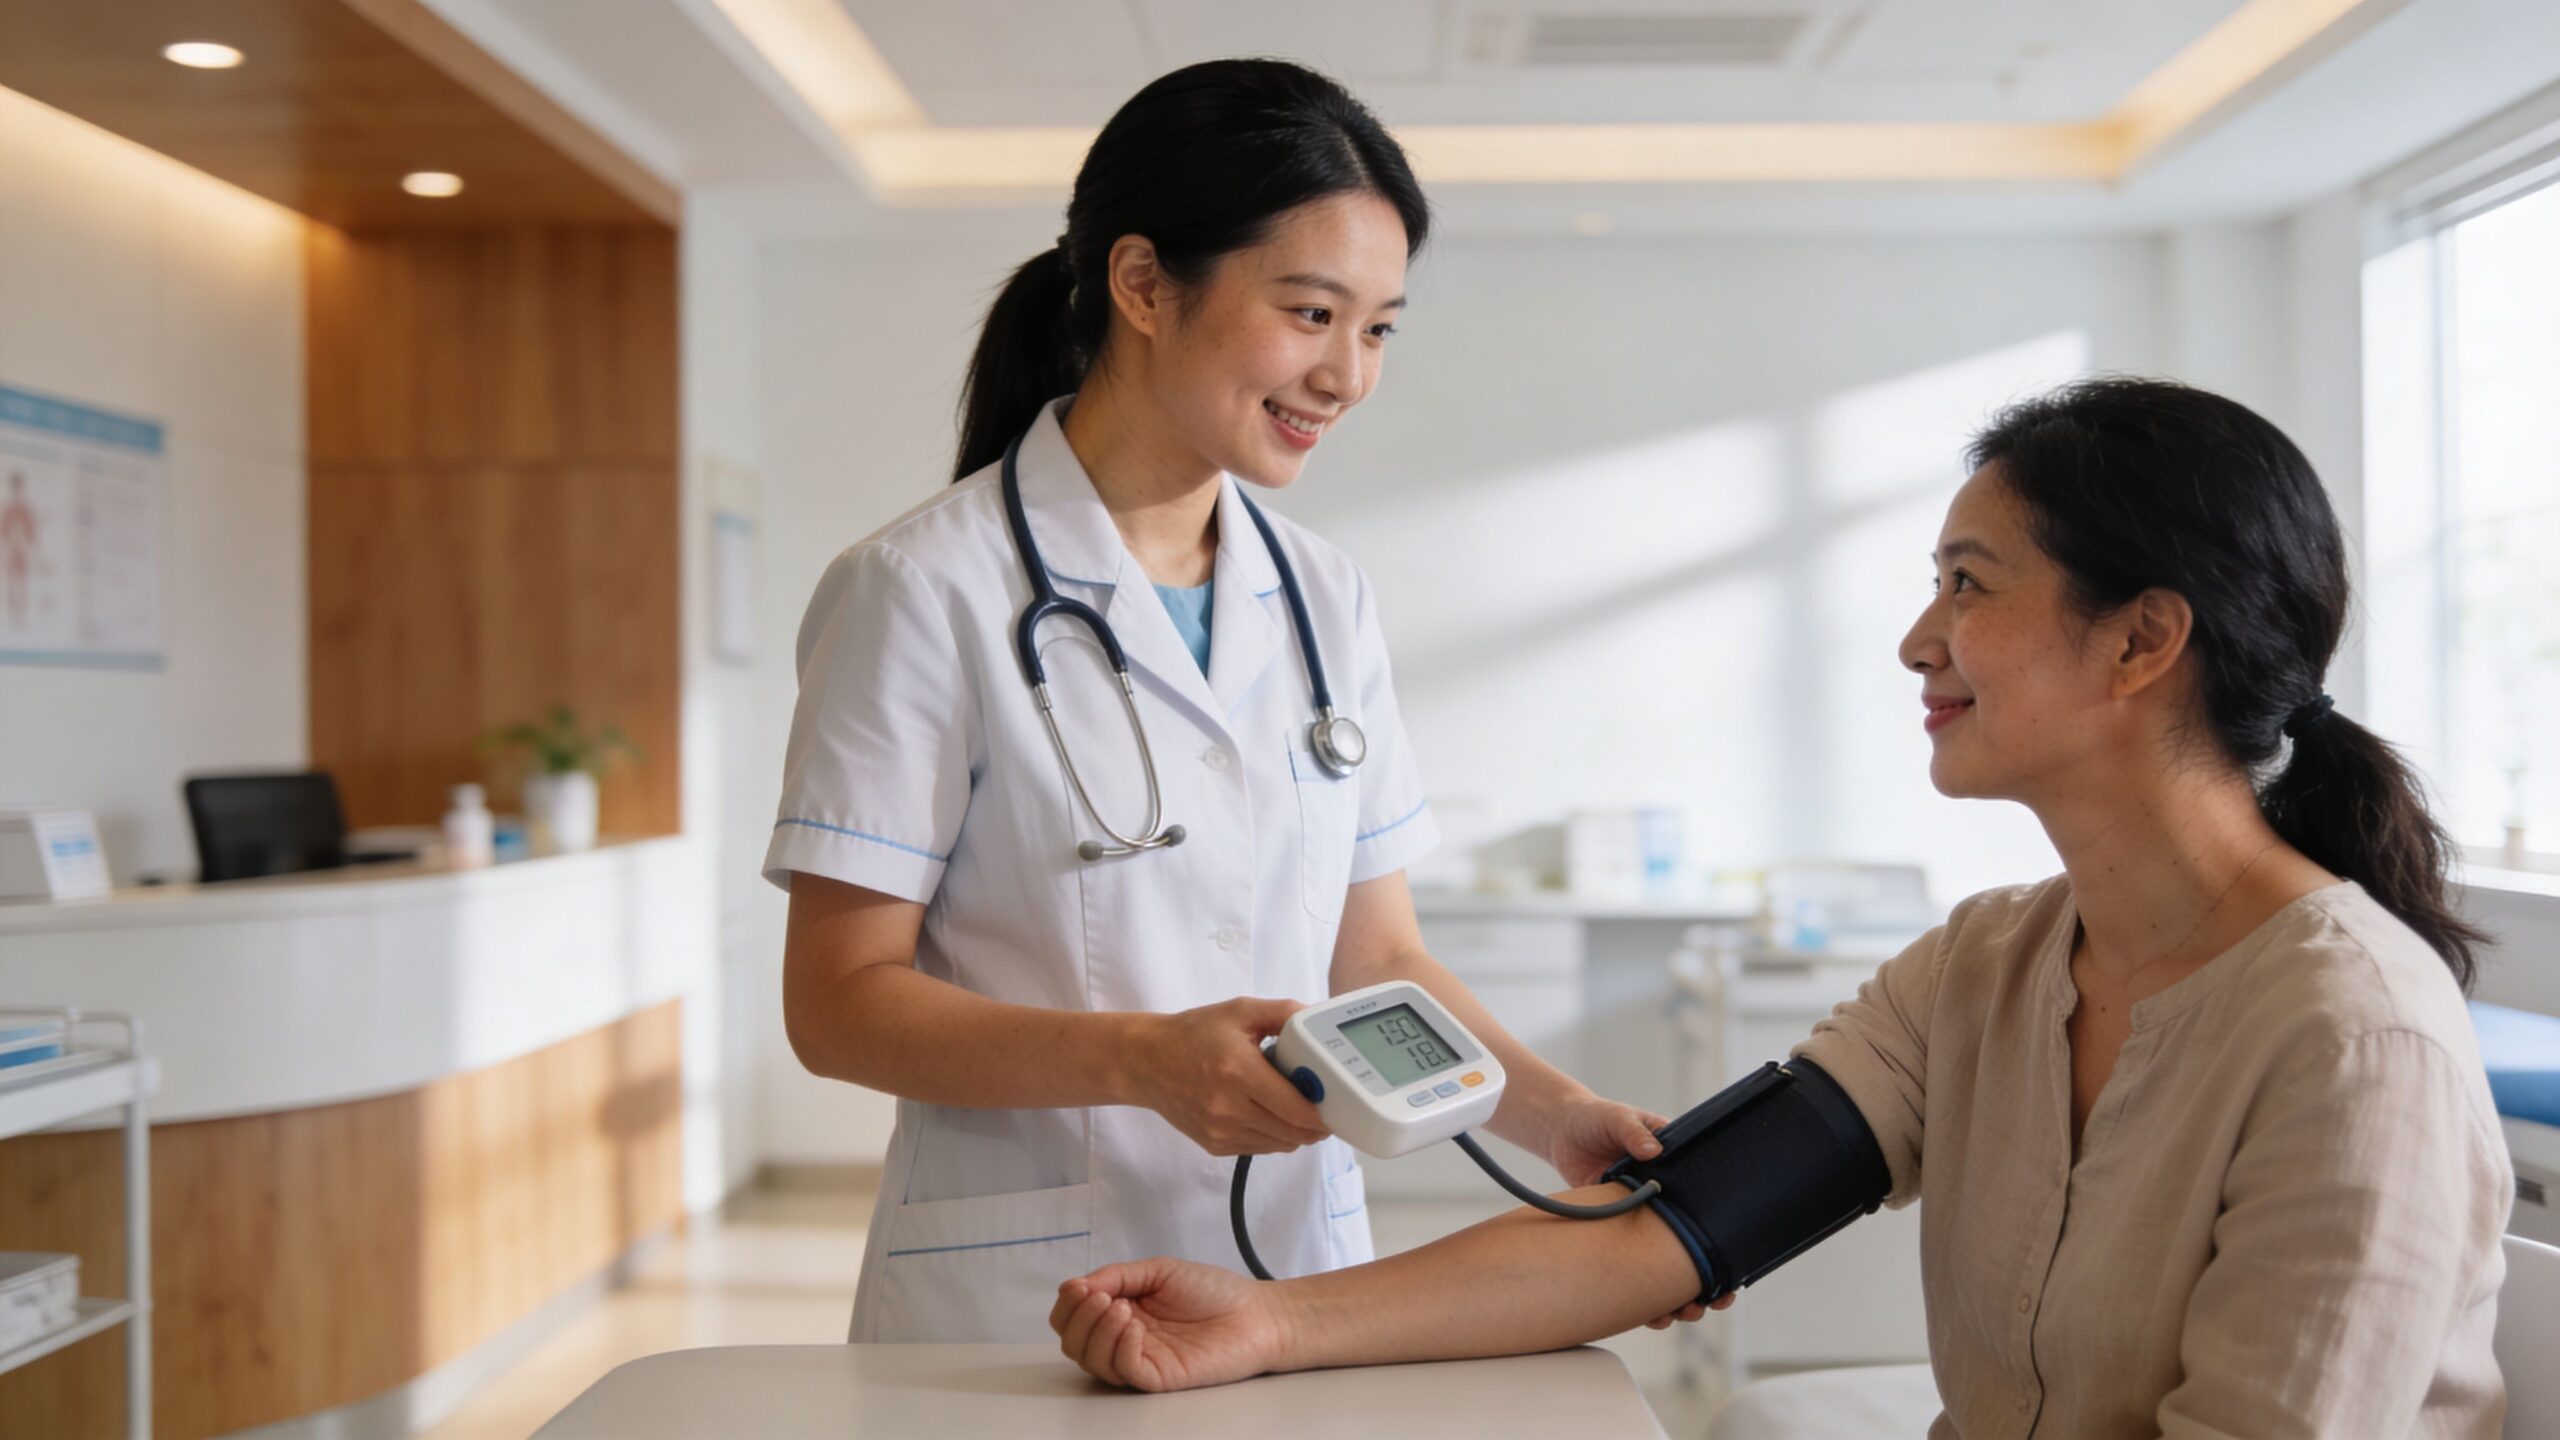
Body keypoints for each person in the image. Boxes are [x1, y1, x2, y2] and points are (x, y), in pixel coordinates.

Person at [1047, 377, 2515, 1438]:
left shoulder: (2350, 1037)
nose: (1916, 638)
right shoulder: (1990, 968)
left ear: (2141, 641)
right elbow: (1661, 1226)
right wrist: (1272, 1325)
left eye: (1967, 583)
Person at [767, 58, 1669, 1344]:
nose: (1348, 375)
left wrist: (1554, 1116)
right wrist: (1142, 1062)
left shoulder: (1322, 597)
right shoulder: (922, 590)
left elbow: (1379, 957)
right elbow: (838, 1002)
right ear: (1141, 285)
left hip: (1293, 1272)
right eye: (1310, 313)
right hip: (1017, 1295)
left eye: (1377, 327)